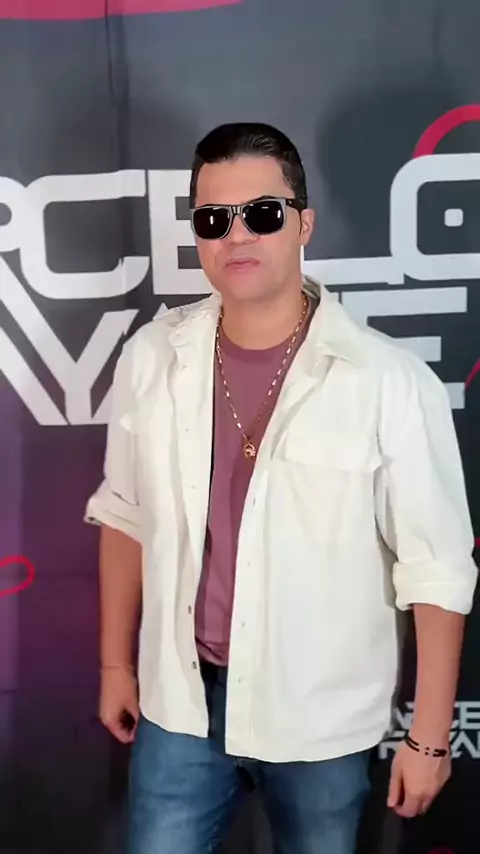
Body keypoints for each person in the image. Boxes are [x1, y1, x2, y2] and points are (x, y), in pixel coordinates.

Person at [85, 122, 477, 854]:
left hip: (322, 721)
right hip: (181, 704)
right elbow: (124, 515)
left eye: (262, 213)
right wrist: (115, 665)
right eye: (213, 219)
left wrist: (428, 738)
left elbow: (438, 570)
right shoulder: (152, 358)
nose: (237, 235)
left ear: (304, 222)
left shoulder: (388, 381)